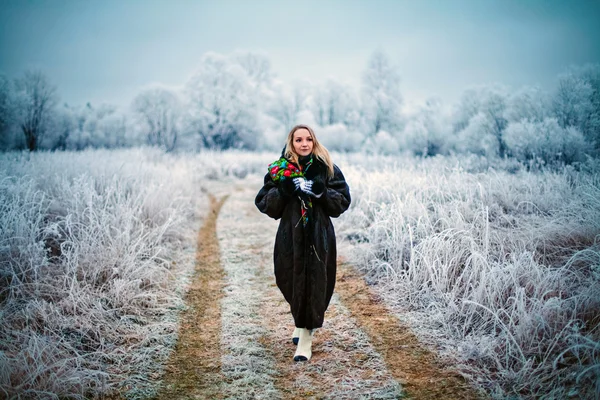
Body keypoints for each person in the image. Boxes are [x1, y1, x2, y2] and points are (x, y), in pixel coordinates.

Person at [255, 124, 351, 361]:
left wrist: (320, 192)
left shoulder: (327, 169)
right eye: (299, 140)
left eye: (309, 139)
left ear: (314, 141)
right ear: (292, 143)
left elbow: (342, 202)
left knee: (315, 284)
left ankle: (305, 339)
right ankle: (300, 323)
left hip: (319, 239)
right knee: (289, 281)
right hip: (290, 238)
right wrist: (285, 190)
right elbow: (265, 203)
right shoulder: (280, 170)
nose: (304, 144)